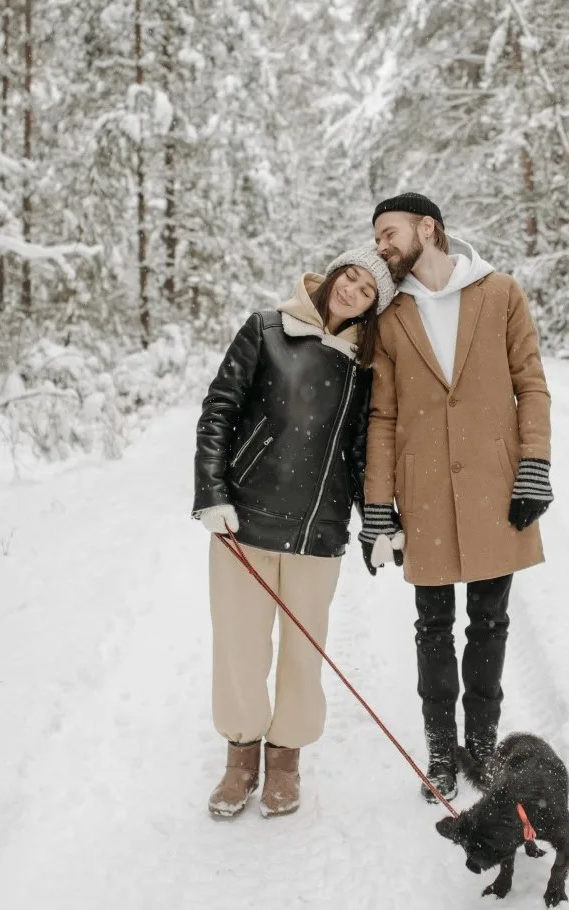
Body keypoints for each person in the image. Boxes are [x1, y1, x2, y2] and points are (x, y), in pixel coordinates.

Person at [358, 193, 554, 803]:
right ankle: (442, 754)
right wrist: (377, 507)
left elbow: (531, 384)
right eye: (377, 238)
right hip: (425, 494)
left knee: (490, 624)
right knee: (432, 627)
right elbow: (383, 416)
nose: (382, 247)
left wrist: (534, 468)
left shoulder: (500, 295)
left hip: (497, 488)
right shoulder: (391, 318)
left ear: (428, 228)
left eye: (389, 234)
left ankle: (483, 749)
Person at [192, 248, 397, 818]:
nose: (352, 291)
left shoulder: (363, 363)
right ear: (332, 277)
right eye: (349, 278)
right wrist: (211, 493)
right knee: (240, 645)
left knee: (304, 653)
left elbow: (361, 453)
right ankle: (239, 760)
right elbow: (219, 410)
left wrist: (377, 520)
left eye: (366, 290)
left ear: (373, 307)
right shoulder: (266, 328)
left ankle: (284, 760)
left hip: (318, 530)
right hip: (245, 523)